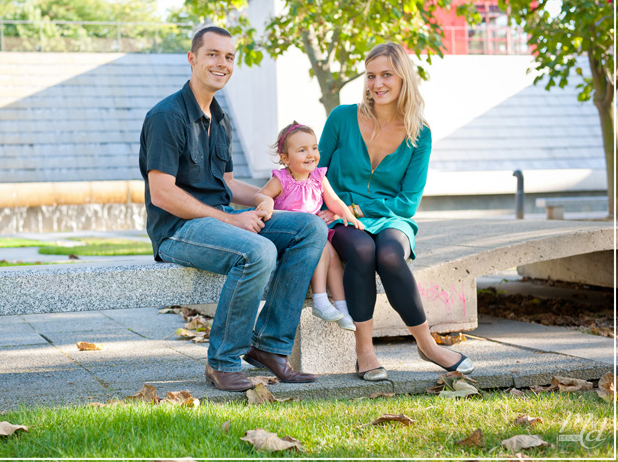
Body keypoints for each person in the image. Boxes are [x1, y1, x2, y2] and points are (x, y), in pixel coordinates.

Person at [139, 26, 327, 392]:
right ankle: (222, 362)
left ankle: (270, 347)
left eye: (228, 57)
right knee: (258, 250)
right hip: (178, 230)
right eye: (212, 54)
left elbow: (225, 183)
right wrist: (230, 219)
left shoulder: (220, 119)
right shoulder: (166, 116)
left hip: (218, 221)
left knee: (310, 228)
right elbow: (162, 194)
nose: (221, 63)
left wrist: (260, 199)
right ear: (192, 58)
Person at [317, 42, 474, 381]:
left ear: (403, 78)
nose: (377, 84)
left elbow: (407, 203)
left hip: (392, 218)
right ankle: (365, 350)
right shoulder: (342, 118)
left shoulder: (420, 134)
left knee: (388, 254)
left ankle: (427, 344)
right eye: (371, 75)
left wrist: (358, 205)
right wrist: (338, 209)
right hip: (340, 216)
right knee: (361, 250)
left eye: (387, 74)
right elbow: (316, 173)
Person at [253, 122, 363, 331]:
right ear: (285, 158)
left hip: (316, 232)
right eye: (302, 150)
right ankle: (321, 300)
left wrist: (347, 213)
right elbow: (260, 194)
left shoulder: (318, 177)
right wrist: (266, 201)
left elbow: (334, 201)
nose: (311, 154)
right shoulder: (282, 179)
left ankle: (342, 307)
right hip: (293, 237)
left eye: (314, 148)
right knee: (321, 247)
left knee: (334, 257)